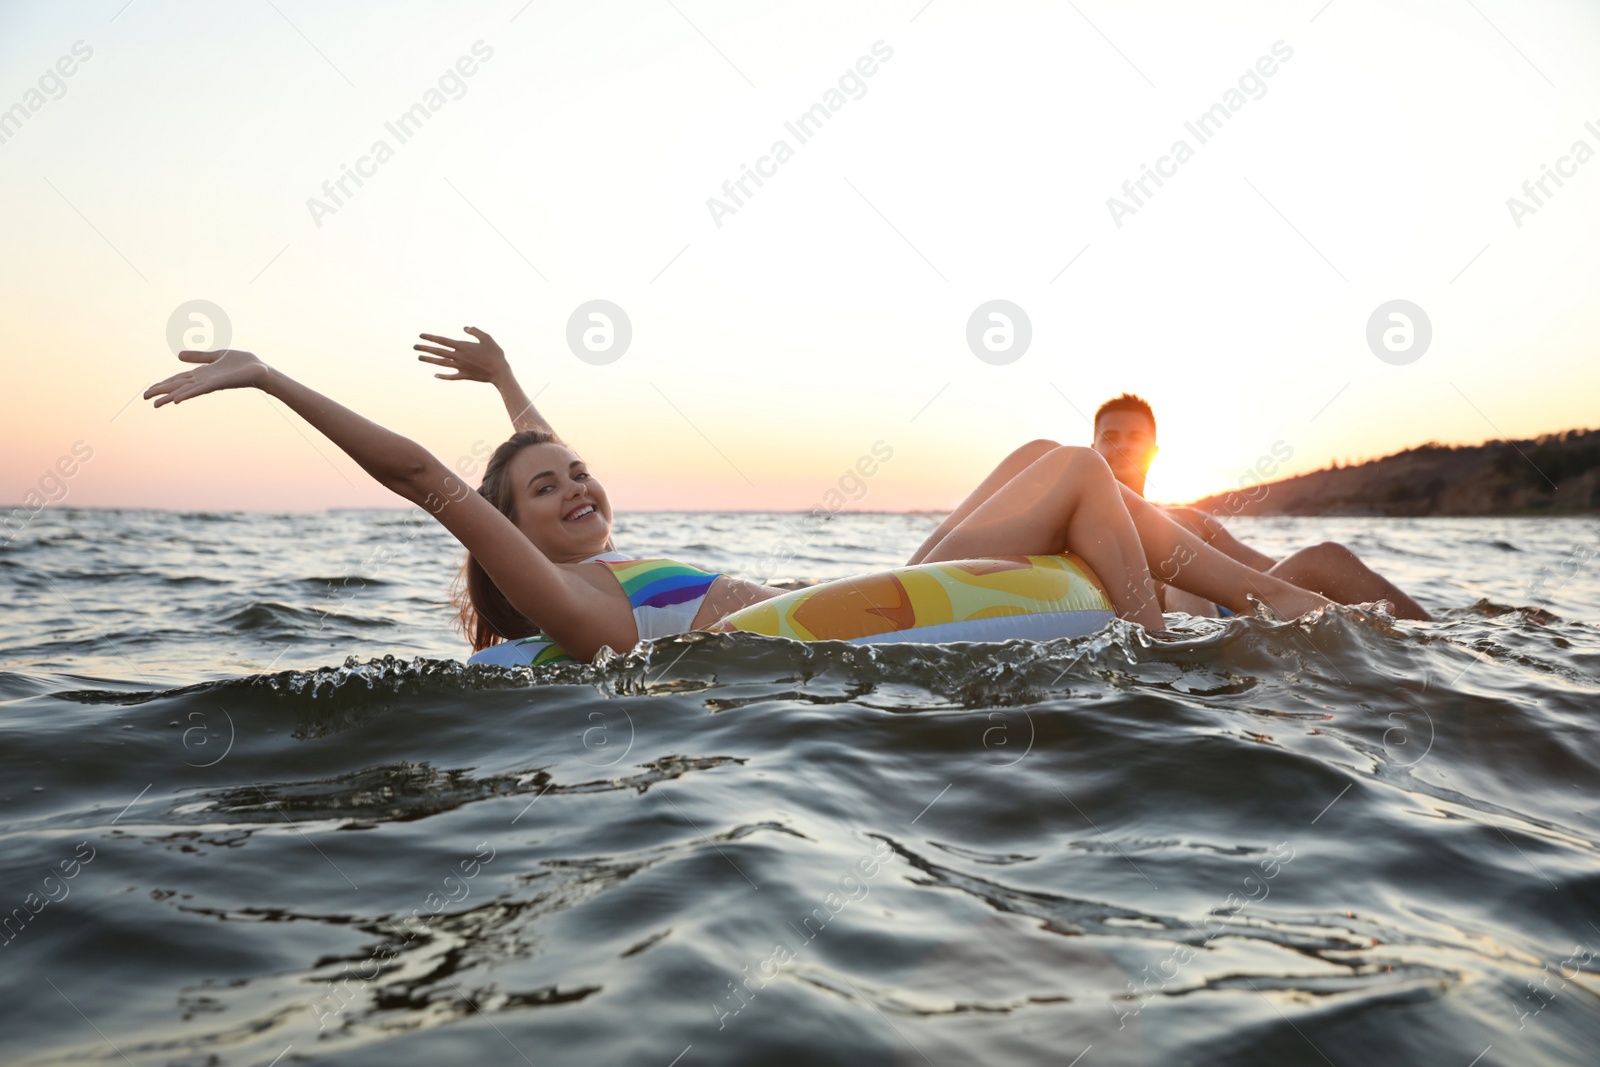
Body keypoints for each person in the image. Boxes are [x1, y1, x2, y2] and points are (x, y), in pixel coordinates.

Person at [142, 335, 1331, 663]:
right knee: (1078, 471)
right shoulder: (581, 616)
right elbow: (430, 478)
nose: (575, 482)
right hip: (845, 619)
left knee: (1041, 448)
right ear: (509, 539)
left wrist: (509, 384)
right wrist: (270, 377)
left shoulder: (589, 563)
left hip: (865, 594)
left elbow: (530, 462)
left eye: (577, 471)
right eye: (545, 490)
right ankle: (1162, 650)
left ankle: (1299, 607)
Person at [1088, 393, 1433, 621]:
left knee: (1326, 556)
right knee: (1180, 570)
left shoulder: (1190, 521)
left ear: (1154, 451)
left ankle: (1436, 638)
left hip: (1237, 621)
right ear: (1093, 446)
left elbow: (1267, 570)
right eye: (1111, 437)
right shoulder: (1086, 519)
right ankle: (1203, 657)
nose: (1123, 447)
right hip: (1177, 630)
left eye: (1136, 438)